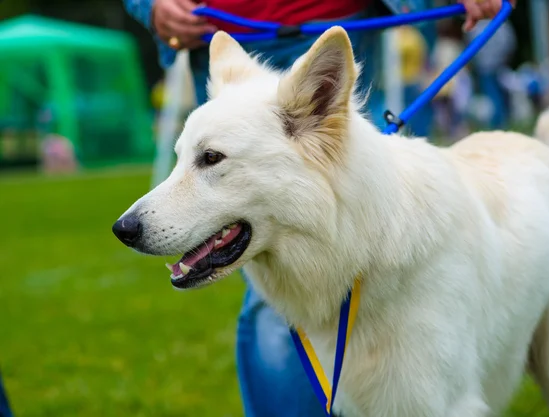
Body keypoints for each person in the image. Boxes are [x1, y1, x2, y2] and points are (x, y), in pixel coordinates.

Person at [123, 1, 515, 416]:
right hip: (222, 32)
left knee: (377, 268)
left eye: (210, 161)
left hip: (341, 25)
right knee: (274, 307)